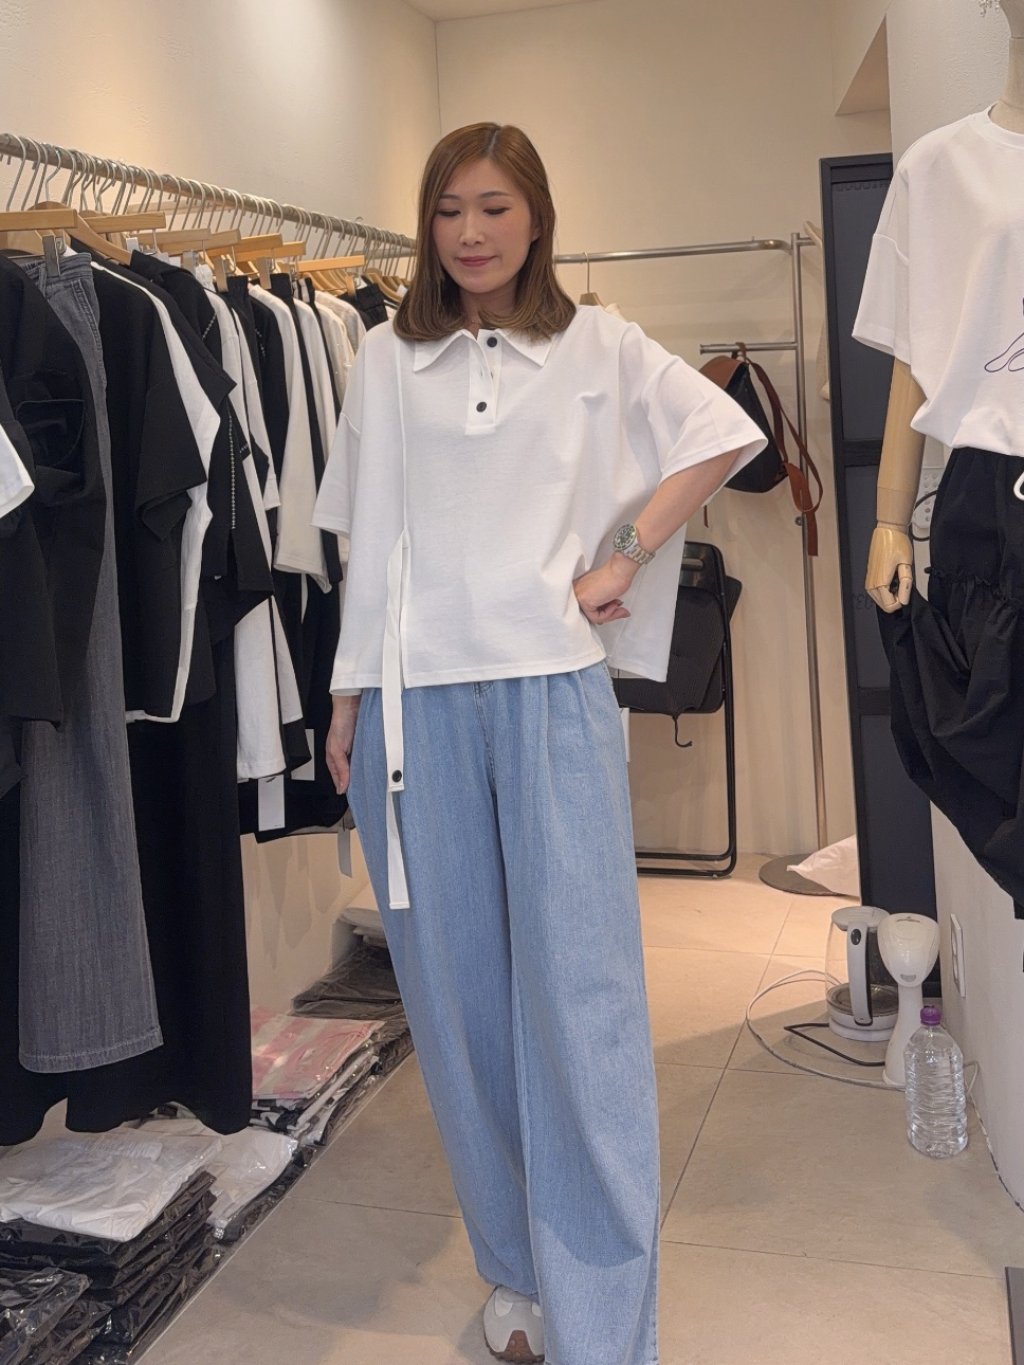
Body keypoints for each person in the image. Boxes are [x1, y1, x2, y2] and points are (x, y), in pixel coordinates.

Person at [313, 123, 765, 1365]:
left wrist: (624, 553)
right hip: (412, 705)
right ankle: (516, 1278)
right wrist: (348, 696)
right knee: (457, 1010)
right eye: (449, 209)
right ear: (426, 223)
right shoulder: (382, 356)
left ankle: (604, 1319)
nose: (470, 232)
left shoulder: (595, 344)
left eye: (494, 207)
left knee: (584, 1006)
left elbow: (721, 433)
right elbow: (368, 544)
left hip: (548, 691)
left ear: (536, 218)